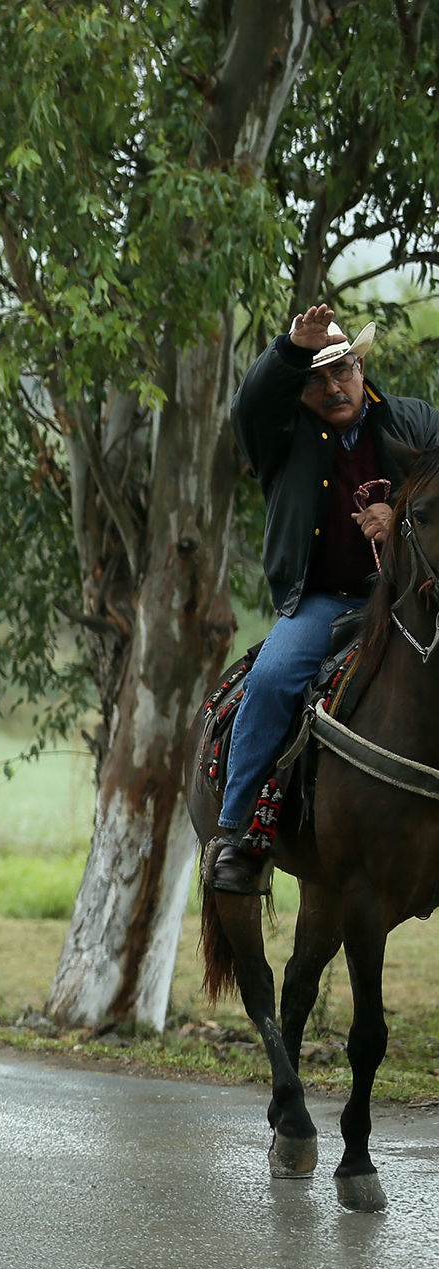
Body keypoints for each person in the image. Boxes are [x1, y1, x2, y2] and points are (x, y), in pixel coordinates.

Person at [211, 305, 439, 889]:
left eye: (342, 370)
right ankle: (238, 836)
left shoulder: (415, 422)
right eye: (315, 377)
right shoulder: (280, 435)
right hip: (325, 602)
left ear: (362, 368)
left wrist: (403, 516)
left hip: (409, 595)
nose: (332, 386)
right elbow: (246, 408)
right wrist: (288, 351)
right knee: (269, 679)